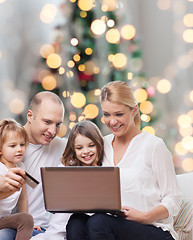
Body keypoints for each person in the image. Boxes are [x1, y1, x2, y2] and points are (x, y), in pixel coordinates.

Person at [66, 81, 181, 240]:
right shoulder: (101, 144)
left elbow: (174, 199)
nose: (112, 121)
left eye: (118, 114)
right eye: (107, 114)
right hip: (112, 226)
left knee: (99, 222)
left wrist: (145, 216)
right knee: (76, 221)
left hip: (153, 229)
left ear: (134, 111)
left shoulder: (154, 146)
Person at [0, 91, 67, 240]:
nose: (53, 131)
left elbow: (95, 145)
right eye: (47, 122)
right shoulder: (1, 140)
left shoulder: (64, 147)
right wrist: (2, 183)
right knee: (2, 236)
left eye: (58, 124)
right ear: (30, 116)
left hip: (37, 228)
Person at [31, 120, 105, 240]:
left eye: (91, 145)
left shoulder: (105, 170)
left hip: (88, 229)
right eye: (79, 148)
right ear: (74, 150)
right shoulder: (65, 170)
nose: (86, 151)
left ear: (99, 144)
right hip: (60, 230)